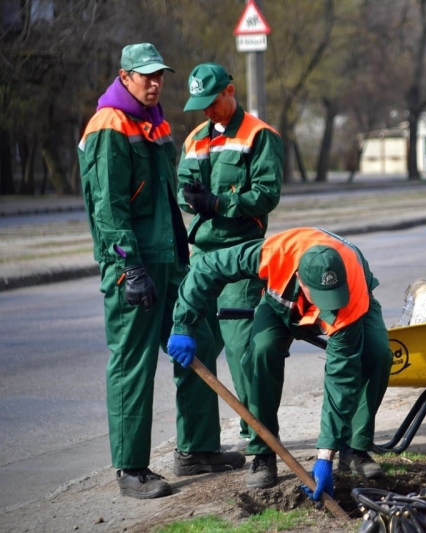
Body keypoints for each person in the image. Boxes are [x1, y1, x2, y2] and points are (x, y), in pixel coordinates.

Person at [77, 43, 245, 500]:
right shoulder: (110, 125)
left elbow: (162, 197)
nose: (155, 83)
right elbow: (108, 208)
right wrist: (130, 267)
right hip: (132, 265)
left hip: (169, 260)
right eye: (145, 76)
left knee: (199, 341)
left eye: (159, 76)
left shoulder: (152, 121)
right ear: (124, 76)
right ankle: (131, 470)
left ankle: (197, 448)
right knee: (134, 362)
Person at [167, 227, 392, 500]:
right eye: (319, 296)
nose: (326, 307)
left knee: (378, 354)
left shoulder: (349, 293)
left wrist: (325, 455)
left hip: (355, 302)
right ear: (300, 278)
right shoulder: (272, 253)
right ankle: (263, 450)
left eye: (330, 297)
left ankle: (353, 448)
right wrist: (183, 325)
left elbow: (340, 376)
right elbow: (207, 269)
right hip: (280, 306)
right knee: (261, 352)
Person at [176, 62, 283, 450]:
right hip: (202, 258)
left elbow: (267, 194)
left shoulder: (259, 137)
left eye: (213, 101)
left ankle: (261, 446)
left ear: (230, 91)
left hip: (241, 257)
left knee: (241, 352)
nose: (207, 110)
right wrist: (191, 197)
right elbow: (182, 188)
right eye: (200, 104)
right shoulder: (195, 140)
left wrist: (220, 202)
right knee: (195, 350)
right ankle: (198, 448)